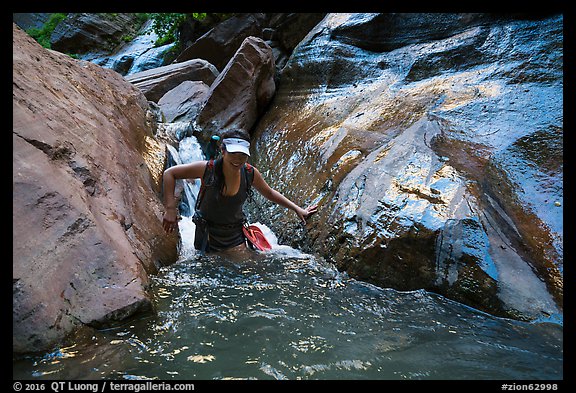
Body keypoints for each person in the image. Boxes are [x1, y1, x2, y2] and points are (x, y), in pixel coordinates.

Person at [162, 129, 318, 253]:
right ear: (223, 151)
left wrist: (298, 209)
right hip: (208, 235)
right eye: (233, 154)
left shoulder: (250, 173)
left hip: (235, 234)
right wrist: (170, 209)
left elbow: (269, 193)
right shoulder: (207, 169)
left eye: (242, 155)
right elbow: (170, 173)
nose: (238, 160)